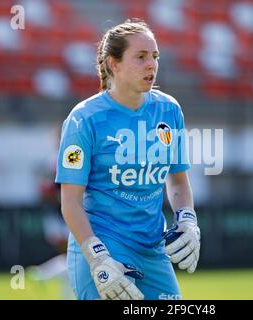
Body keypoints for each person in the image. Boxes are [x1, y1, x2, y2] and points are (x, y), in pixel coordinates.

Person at [55, 18, 201, 300]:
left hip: (152, 248)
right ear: (114, 64)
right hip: (102, 247)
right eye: (141, 57)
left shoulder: (169, 110)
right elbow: (70, 201)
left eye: (155, 56)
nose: (152, 65)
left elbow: (178, 180)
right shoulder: (84, 119)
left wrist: (187, 220)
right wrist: (97, 258)